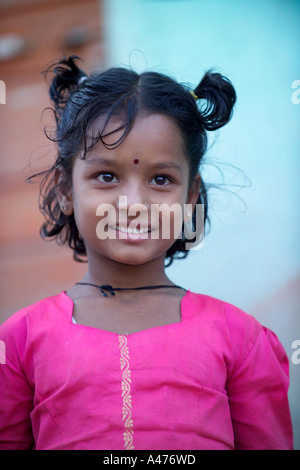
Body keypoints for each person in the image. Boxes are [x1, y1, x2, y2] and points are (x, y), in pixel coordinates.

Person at [0, 56, 293, 450]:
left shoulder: (241, 340)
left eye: (160, 179)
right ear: (67, 189)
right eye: (106, 176)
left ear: (190, 196)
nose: (134, 203)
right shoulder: (17, 343)